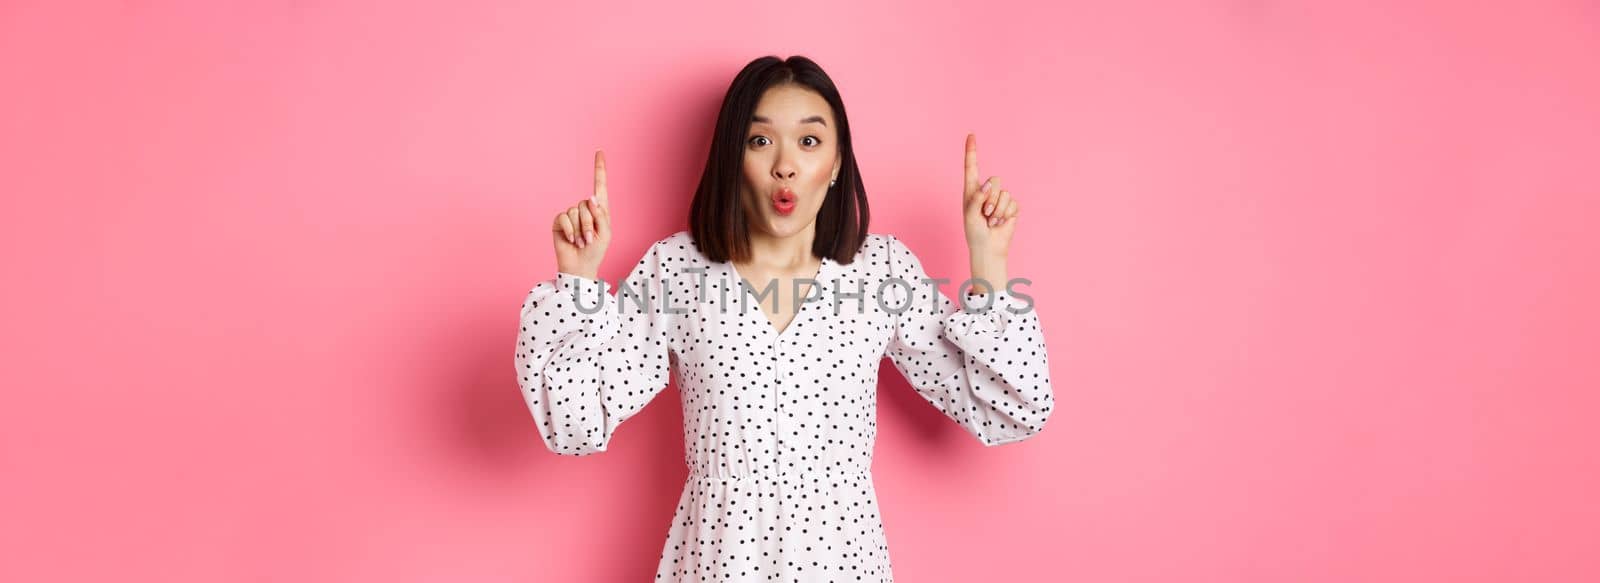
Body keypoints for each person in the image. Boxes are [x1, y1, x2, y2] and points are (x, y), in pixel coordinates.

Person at [515, 55, 1054, 582]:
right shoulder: (675, 271)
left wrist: (988, 259)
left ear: (838, 162)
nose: (785, 164)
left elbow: (1010, 411)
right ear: (734, 157)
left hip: (842, 563)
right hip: (719, 561)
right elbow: (573, 425)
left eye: (810, 140)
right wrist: (578, 279)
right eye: (760, 140)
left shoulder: (881, 272)